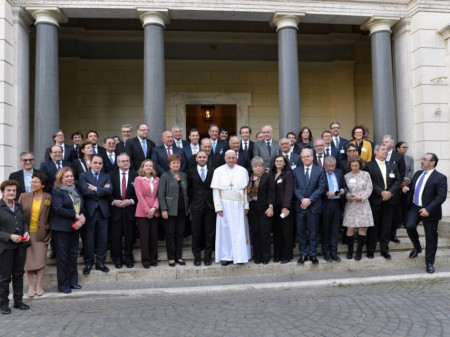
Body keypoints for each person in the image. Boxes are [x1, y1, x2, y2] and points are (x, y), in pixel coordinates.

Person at [403, 153, 447, 274]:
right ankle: (417, 247)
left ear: (432, 162)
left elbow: (441, 197)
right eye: (422, 159)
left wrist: (428, 209)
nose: (422, 161)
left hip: (430, 211)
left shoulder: (440, 178)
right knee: (409, 226)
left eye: (424, 159)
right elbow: (412, 187)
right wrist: (407, 188)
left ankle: (429, 262)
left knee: (431, 237)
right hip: (415, 207)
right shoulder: (417, 174)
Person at [211, 150, 251, 265]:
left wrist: (246, 206)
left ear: (236, 158)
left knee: (239, 230)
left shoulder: (242, 171)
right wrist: (218, 207)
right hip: (224, 205)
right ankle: (226, 256)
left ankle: (240, 256)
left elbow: (245, 191)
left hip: (239, 205)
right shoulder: (218, 171)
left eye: (233, 158)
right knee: (225, 231)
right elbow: (215, 191)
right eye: (229, 158)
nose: (231, 160)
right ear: (225, 158)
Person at [50, 168, 85, 294]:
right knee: (63, 257)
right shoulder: (57, 192)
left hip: (75, 228)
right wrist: (77, 216)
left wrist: (82, 219)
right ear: (61, 179)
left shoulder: (76, 191)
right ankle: (63, 285)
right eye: (67, 177)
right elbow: (58, 209)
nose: (70, 178)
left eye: (71, 176)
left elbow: (81, 207)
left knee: (73, 255)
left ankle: (73, 282)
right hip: (61, 229)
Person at [365, 144, 401, 259]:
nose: (386, 152)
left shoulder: (392, 165)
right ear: (376, 152)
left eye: (387, 150)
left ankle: (384, 250)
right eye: (383, 150)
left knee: (387, 226)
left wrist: (389, 193)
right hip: (375, 200)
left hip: (389, 201)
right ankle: (370, 250)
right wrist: (381, 192)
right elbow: (369, 181)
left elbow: (397, 180)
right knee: (373, 226)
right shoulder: (368, 165)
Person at [19, 173, 52, 297]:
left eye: (36, 182)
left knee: (40, 260)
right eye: (32, 182)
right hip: (26, 233)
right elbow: (18, 215)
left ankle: (39, 285)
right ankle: (31, 286)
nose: (32, 184)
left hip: (42, 234)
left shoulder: (48, 197)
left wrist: (51, 233)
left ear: (42, 185)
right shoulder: (24, 196)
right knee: (28, 262)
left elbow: (51, 217)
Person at [0, 180, 30, 314]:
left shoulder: (18, 206)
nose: (12, 193)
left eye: (13, 190)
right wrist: (9, 236)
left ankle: (18, 300)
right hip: (5, 247)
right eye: (9, 190)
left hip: (20, 246)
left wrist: (26, 231)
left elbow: (23, 221)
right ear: (3, 192)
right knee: (5, 277)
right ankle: (3, 303)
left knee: (18, 275)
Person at [79, 154, 113, 275]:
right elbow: (84, 191)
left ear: (102, 164)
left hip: (103, 212)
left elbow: (110, 191)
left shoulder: (106, 176)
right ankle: (88, 263)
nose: (98, 165)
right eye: (95, 163)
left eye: (100, 163)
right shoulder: (83, 175)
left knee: (102, 239)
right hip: (89, 212)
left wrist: (95, 188)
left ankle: (100, 263)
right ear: (90, 163)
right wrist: (101, 189)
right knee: (89, 239)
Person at [292, 148, 326, 264]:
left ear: (312, 157)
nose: (306, 158)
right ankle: (303, 254)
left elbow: (321, 188)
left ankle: (313, 254)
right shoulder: (296, 171)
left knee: (314, 232)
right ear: (301, 159)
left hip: (314, 206)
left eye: (308, 156)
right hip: (300, 206)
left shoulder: (320, 170)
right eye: (303, 157)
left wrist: (309, 200)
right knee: (301, 232)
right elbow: (294, 188)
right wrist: (302, 199)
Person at [158, 154, 189, 267]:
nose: (176, 165)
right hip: (170, 210)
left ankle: (179, 257)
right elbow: (161, 194)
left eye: (178, 163)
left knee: (180, 234)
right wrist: (164, 209)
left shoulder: (184, 175)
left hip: (182, 209)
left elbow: (187, 193)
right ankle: (171, 258)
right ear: (169, 164)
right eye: (173, 163)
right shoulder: (165, 176)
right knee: (170, 234)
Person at [109, 153, 138, 269]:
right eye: (122, 161)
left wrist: (131, 201)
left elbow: (139, 193)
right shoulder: (111, 175)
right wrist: (114, 201)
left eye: (127, 160)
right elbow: (107, 192)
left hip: (130, 209)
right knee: (115, 237)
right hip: (115, 210)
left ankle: (128, 258)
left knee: (130, 236)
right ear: (118, 163)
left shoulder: (136, 175)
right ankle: (117, 259)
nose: (125, 163)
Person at [188, 151, 216, 266]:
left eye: (204, 157)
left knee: (209, 232)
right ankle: (197, 257)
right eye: (200, 157)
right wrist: (191, 205)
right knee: (196, 232)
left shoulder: (213, 170)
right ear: (196, 159)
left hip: (210, 205)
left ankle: (208, 257)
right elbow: (189, 190)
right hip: (196, 206)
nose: (202, 159)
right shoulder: (190, 172)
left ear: (207, 158)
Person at [342, 156, 374, 260]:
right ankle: (350, 251)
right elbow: (345, 190)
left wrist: (362, 197)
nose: (354, 167)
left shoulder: (366, 175)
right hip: (351, 205)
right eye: (352, 166)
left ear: (360, 165)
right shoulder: (346, 176)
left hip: (362, 204)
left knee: (361, 227)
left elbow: (369, 188)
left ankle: (359, 252)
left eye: (356, 165)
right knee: (350, 227)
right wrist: (348, 196)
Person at [246, 156, 274, 264]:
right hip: (253, 209)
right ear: (252, 168)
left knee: (265, 233)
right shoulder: (250, 177)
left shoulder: (267, 177)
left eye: (260, 166)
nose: (258, 168)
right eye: (255, 166)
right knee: (255, 233)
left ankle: (265, 257)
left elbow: (271, 193)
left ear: (262, 167)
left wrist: (271, 206)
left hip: (265, 208)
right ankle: (257, 257)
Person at [134, 160, 160, 268]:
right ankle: (145, 260)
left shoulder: (157, 179)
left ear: (153, 168)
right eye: (146, 165)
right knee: (144, 238)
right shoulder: (138, 179)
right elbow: (139, 196)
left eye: (150, 166)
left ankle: (154, 259)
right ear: (143, 167)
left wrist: (154, 208)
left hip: (155, 211)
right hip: (142, 212)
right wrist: (147, 210)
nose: (148, 167)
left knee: (154, 237)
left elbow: (158, 195)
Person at [321, 156, 346, 262]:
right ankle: (326, 252)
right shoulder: (321, 173)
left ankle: (334, 252)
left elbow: (345, 186)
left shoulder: (339, 172)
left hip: (337, 203)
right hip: (326, 203)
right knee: (326, 229)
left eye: (333, 166)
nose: (331, 168)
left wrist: (343, 190)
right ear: (324, 165)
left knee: (335, 229)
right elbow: (318, 188)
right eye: (329, 166)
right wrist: (326, 193)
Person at [270, 155, 294, 264]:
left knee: (286, 232)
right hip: (274, 208)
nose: (279, 162)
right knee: (277, 232)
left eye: (281, 161)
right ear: (274, 162)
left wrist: (286, 207)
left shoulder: (288, 174)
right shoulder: (271, 175)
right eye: (277, 161)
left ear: (285, 163)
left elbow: (289, 192)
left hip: (284, 208)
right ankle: (277, 255)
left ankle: (286, 256)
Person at [383, 135, 406, 243]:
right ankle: (382, 235)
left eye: (386, 142)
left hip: (394, 191)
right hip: (381, 191)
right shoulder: (379, 155)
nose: (384, 144)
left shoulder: (398, 157)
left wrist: (392, 190)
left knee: (395, 216)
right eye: (383, 142)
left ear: (392, 144)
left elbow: (401, 175)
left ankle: (393, 234)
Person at [396, 141, 414, 227]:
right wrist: (402, 179)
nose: (405, 149)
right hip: (397, 183)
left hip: (406, 184)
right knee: (397, 203)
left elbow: (411, 170)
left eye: (406, 147)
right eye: (403, 147)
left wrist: (407, 179)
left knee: (406, 203)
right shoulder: (394, 158)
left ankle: (405, 221)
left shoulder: (410, 159)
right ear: (398, 148)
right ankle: (398, 221)